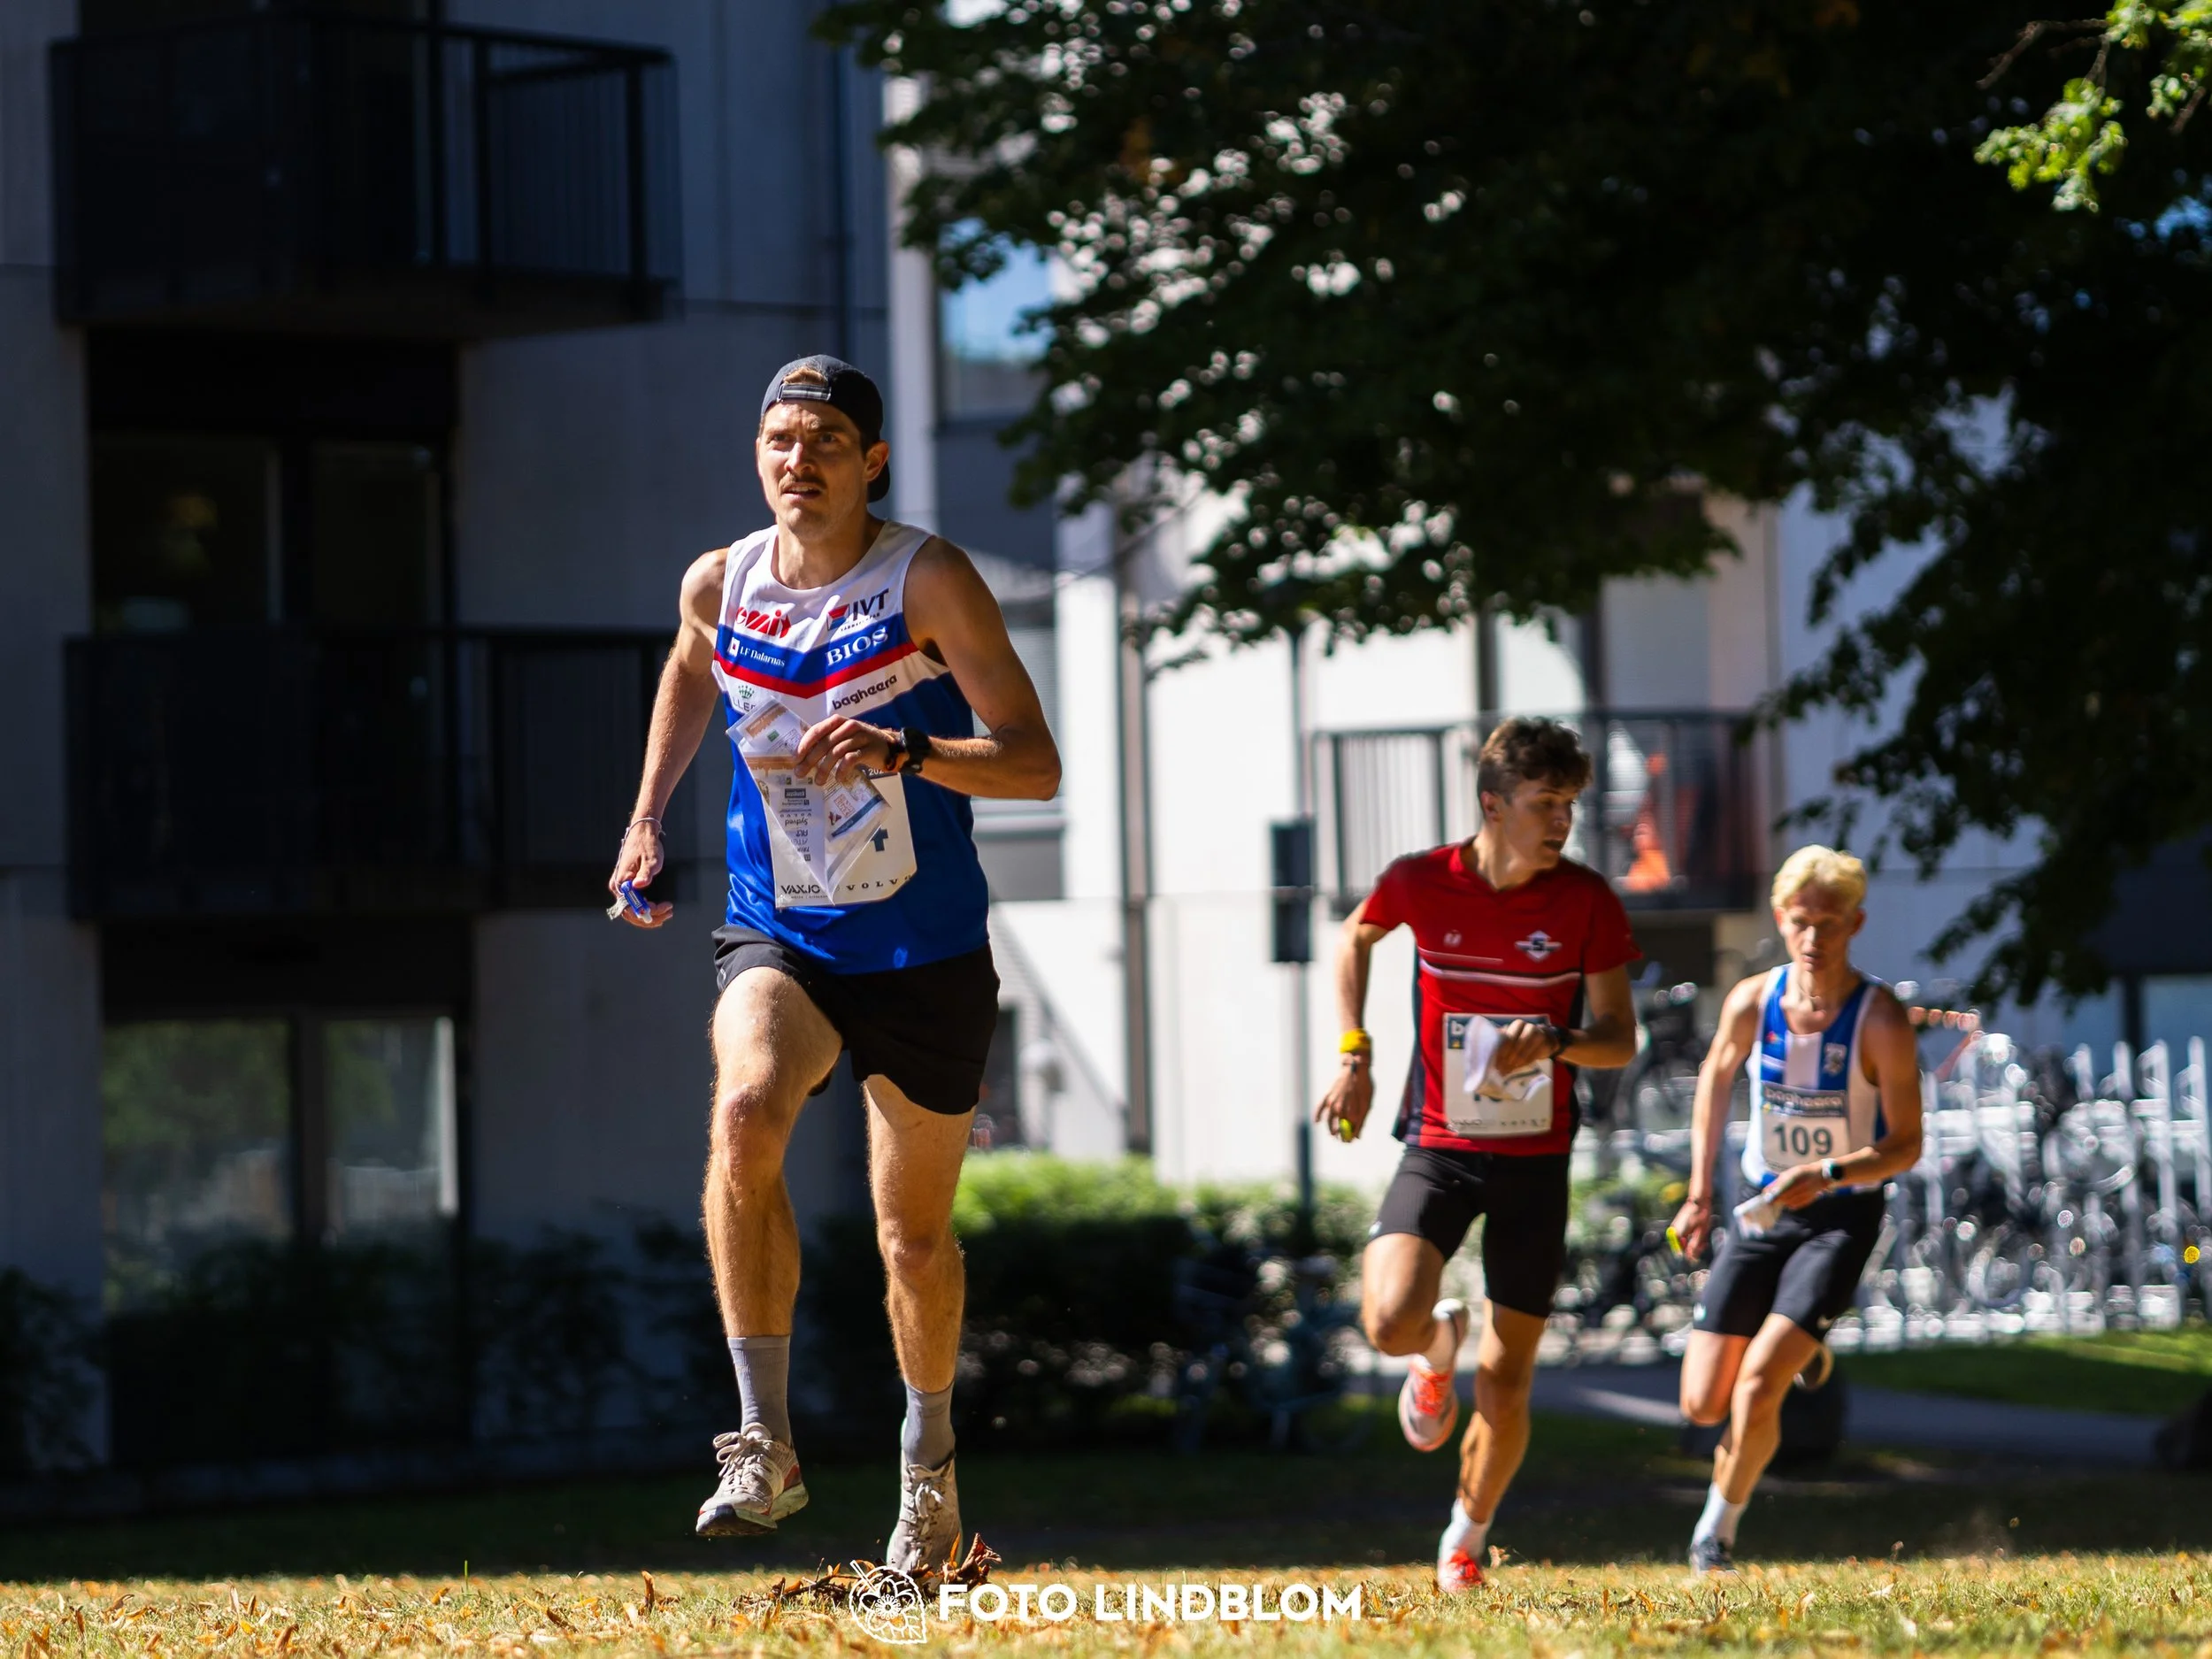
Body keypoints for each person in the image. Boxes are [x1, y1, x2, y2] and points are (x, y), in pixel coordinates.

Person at [607, 355, 1060, 1574]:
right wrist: (649, 812)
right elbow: (690, 670)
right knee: (747, 1106)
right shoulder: (723, 578)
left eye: (823, 440)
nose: (796, 459)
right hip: (785, 928)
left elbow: (1033, 763)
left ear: (873, 461)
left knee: (911, 1236)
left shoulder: (929, 577)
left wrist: (908, 756)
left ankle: (928, 1476)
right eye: (777, 439)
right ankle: (762, 1437)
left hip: (924, 947)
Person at [1317, 717, 1639, 1593]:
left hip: (1536, 1162)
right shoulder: (1421, 881)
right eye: (1544, 804)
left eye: (1570, 803)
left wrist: (1561, 1041)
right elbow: (1353, 936)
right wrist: (1355, 1053)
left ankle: (1465, 1538)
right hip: (1440, 1145)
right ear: (1492, 806)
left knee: (1507, 1379)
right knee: (1386, 1322)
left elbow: (1619, 1038)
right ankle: (1434, 1345)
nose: (1562, 821)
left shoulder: (1586, 901)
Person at [1669, 846, 1923, 1574]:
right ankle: (1808, 1345)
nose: (1815, 939)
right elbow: (1713, 1085)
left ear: (1856, 923)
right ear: (1781, 919)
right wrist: (1699, 1194)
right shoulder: (1754, 1000)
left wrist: (1831, 1170)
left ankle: (1716, 1533)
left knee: (1759, 1384)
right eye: (1802, 922)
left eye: (1831, 924)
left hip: (1839, 1215)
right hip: (1765, 1208)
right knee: (1700, 1402)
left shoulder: (1879, 1019)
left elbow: (1906, 1144)